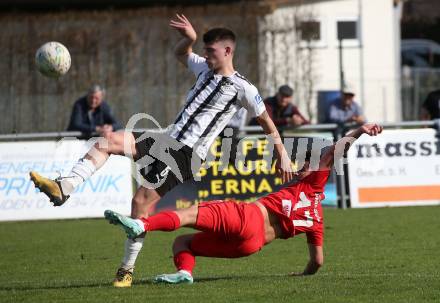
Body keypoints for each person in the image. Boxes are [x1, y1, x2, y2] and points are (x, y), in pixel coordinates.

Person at [29, 14, 294, 288]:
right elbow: (182, 53)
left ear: (227, 51)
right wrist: (188, 40)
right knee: (107, 142)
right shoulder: (204, 69)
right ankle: (66, 187)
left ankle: (126, 270)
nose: (206, 55)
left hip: (185, 153)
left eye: (211, 51)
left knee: (141, 202)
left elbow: (266, 121)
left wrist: (282, 153)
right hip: (168, 138)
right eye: (205, 50)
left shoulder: (244, 88)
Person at [105, 123, 383, 284]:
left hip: (247, 216)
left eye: (307, 165)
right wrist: (302, 274)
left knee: (187, 213)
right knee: (183, 243)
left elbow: (335, 150)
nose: (303, 166)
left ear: (313, 173)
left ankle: (140, 223)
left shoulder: (311, 183)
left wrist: (360, 129)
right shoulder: (317, 220)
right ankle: (184, 273)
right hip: (250, 246)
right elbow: (318, 262)